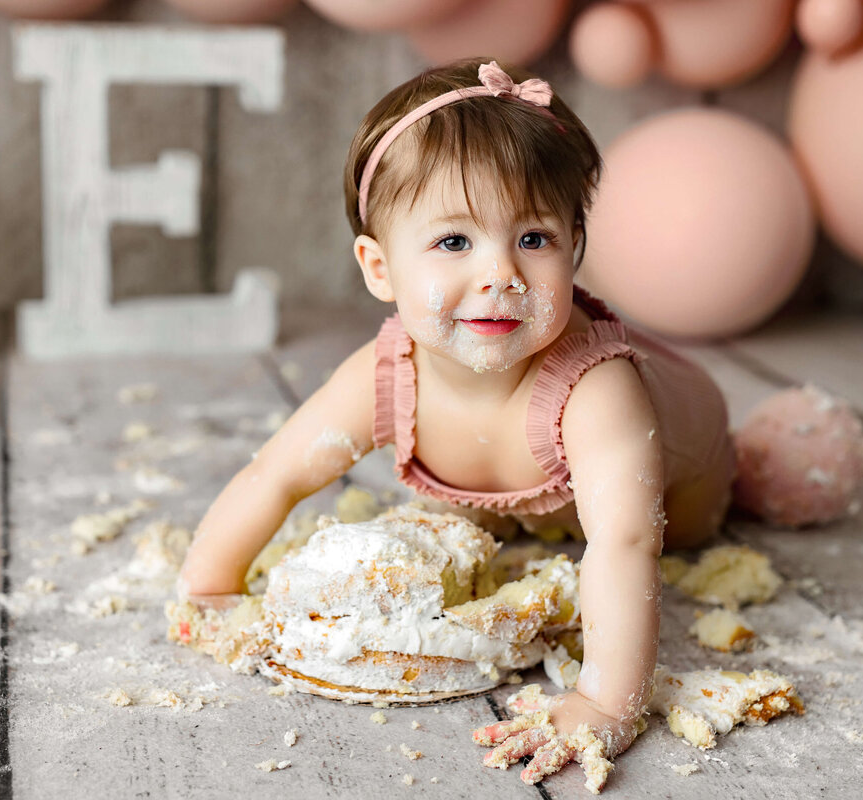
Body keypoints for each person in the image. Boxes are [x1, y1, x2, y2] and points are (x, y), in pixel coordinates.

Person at [179, 58, 735, 789]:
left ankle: (748, 467)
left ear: (575, 247)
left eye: (533, 239)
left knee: (684, 535)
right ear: (380, 269)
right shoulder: (385, 375)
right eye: (453, 243)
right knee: (462, 534)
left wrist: (604, 702)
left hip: (683, 455)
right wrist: (208, 589)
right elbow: (277, 474)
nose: (500, 273)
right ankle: (516, 512)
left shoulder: (598, 391)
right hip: (529, 484)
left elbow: (625, 541)